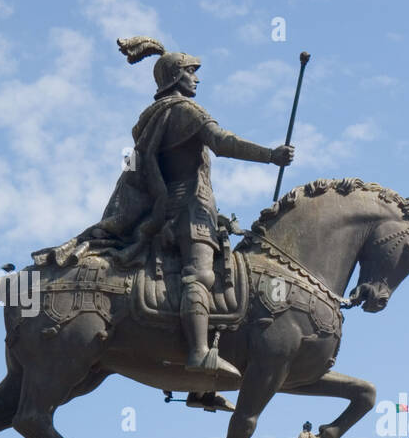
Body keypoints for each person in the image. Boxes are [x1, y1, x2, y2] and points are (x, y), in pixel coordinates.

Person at [95, 37, 294, 378]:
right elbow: (222, 142)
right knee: (199, 275)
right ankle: (200, 351)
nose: (196, 78)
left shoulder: (152, 117)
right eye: (191, 71)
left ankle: (208, 371)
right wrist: (270, 155)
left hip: (169, 208)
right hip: (191, 209)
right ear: (176, 76)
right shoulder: (186, 111)